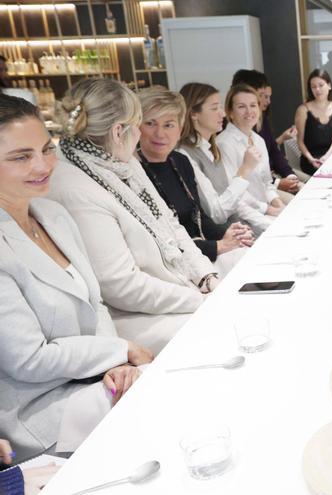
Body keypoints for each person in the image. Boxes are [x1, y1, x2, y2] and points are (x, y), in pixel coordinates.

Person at [0, 94, 153, 462]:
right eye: (21, 156)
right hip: (40, 411)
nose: (43, 164)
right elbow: (29, 360)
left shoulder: (53, 214)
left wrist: (116, 364)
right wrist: (118, 351)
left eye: (46, 149)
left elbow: (95, 302)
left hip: (93, 379)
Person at [48, 78, 218, 354]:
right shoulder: (74, 187)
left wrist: (206, 276)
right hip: (132, 318)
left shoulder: (123, 159)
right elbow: (121, 286)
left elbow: (170, 224)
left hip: (174, 291)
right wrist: (197, 298)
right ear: (119, 131)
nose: (142, 135)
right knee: (216, 332)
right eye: (141, 124)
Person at [136, 87, 253, 277]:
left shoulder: (180, 161)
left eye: (168, 125)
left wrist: (226, 234)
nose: (160, 133)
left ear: (180, 128)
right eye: (150, 123)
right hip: (175, 268)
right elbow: (164, 239)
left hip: (203, 253)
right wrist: (217, 246)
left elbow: (198, 215)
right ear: (136, 127)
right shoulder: (134, 171)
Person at [178, 82, 272, 232]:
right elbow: (217, 214)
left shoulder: (211, 148)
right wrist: (244, 170)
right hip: (227, 235)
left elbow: (238, 202)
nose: (222, 114)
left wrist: (268, 223)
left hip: (241, 226)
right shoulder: (185, 155)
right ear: (193, 114)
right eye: (215, 108)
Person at [216, 83, 285, 234]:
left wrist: (277, 202)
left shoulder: (258, 140)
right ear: (230, 112)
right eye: (241, 106)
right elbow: (234, 194)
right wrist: (268, 210)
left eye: (253, 105)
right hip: (245, 218)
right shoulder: (224, 143)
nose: (249, 111)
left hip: (266, 209)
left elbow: (266, 182)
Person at [230, 69, 301, 197]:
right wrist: (278, 183)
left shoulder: (260, 126)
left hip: (269, 183)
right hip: (256, 192)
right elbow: (252, 179)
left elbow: (274, 152)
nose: (266, 101)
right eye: (262, 95)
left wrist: (289, 176)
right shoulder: (228, 139)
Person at [295, 69, 332, 176]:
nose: (317, 89)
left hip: (331, 157)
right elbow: (300, 141)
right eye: (313, 87)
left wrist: (327, 157)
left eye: (321, 85)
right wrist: (311, 159)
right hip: (311, 160)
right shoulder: (303, 110)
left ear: (329, 86)